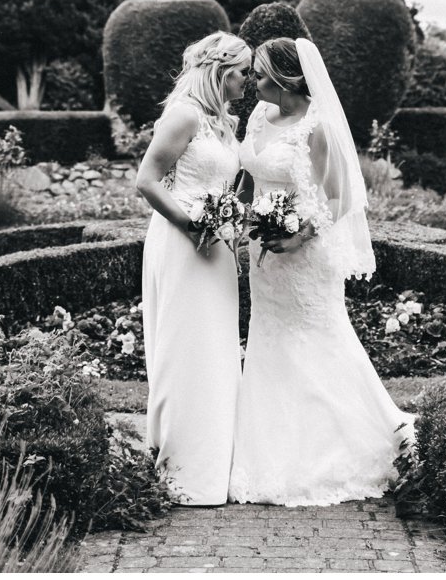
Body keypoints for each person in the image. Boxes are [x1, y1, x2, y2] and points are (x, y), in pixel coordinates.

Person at [227, 36, 414, 505]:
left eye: (261, 74)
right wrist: (242, 221)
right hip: (263, 254)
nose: (253, 82)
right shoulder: (257, 117)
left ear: (287, 78)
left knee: (319, 339)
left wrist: (296, 235)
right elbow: (252, 179)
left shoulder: (318, 126)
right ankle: (270, 447)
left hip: (304, 256)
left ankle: (345, 448)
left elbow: (340, 199)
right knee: (269, 340)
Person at [133, 30, 252, 506]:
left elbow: (225, 184)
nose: (248, 80)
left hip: (217, 245)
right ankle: (181, 466)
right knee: (185, 347)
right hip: (183, 243)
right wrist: (191, 224)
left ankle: (214, 462)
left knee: (216, 348)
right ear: (221, 71)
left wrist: (231, 221)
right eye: (243, 72)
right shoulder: (183, 115)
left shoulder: (225, 121)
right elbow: (146, 180)